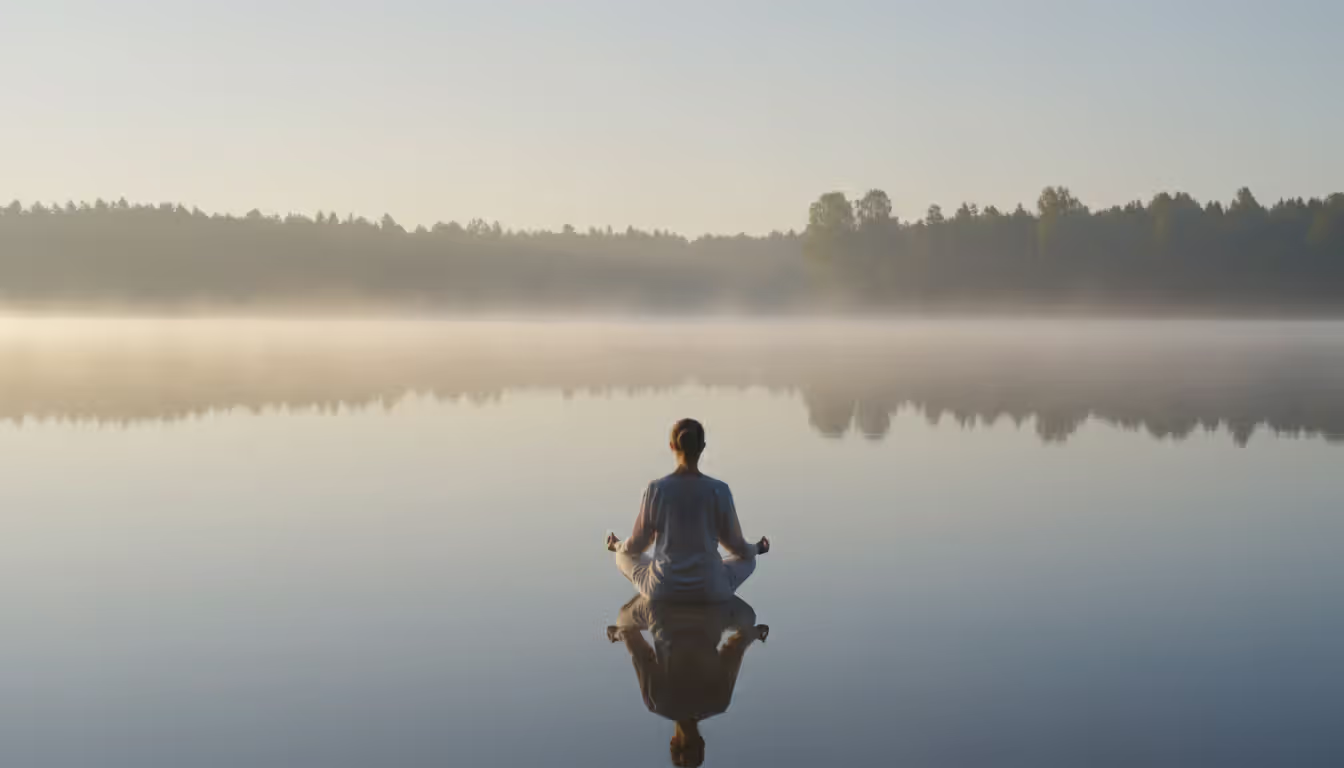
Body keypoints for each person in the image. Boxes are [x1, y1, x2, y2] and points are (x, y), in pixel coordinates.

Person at [606, 418, 769, 603]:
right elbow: (736, 546)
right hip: (711, 589)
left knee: (623, 555)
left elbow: (638, 545)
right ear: (702, 447)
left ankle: (625, 631)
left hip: (662, 589)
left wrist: (618, 546)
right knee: (749, 559)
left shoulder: (656, 489)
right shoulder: (720, 490)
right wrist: (757, 548)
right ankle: (744, 627)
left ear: (671, 446)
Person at [607, 595, 769, 767]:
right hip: (662, 608)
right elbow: (638, 650)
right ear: (672, 741)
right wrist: (617, 633)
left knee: (748, 618)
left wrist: (754, 633)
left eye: (681, 750)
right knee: (623, 620)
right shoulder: (657, 704)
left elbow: (734, 649)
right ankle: (658, 585)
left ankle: (674, 582)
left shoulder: (718, 703)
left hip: (706, 607)